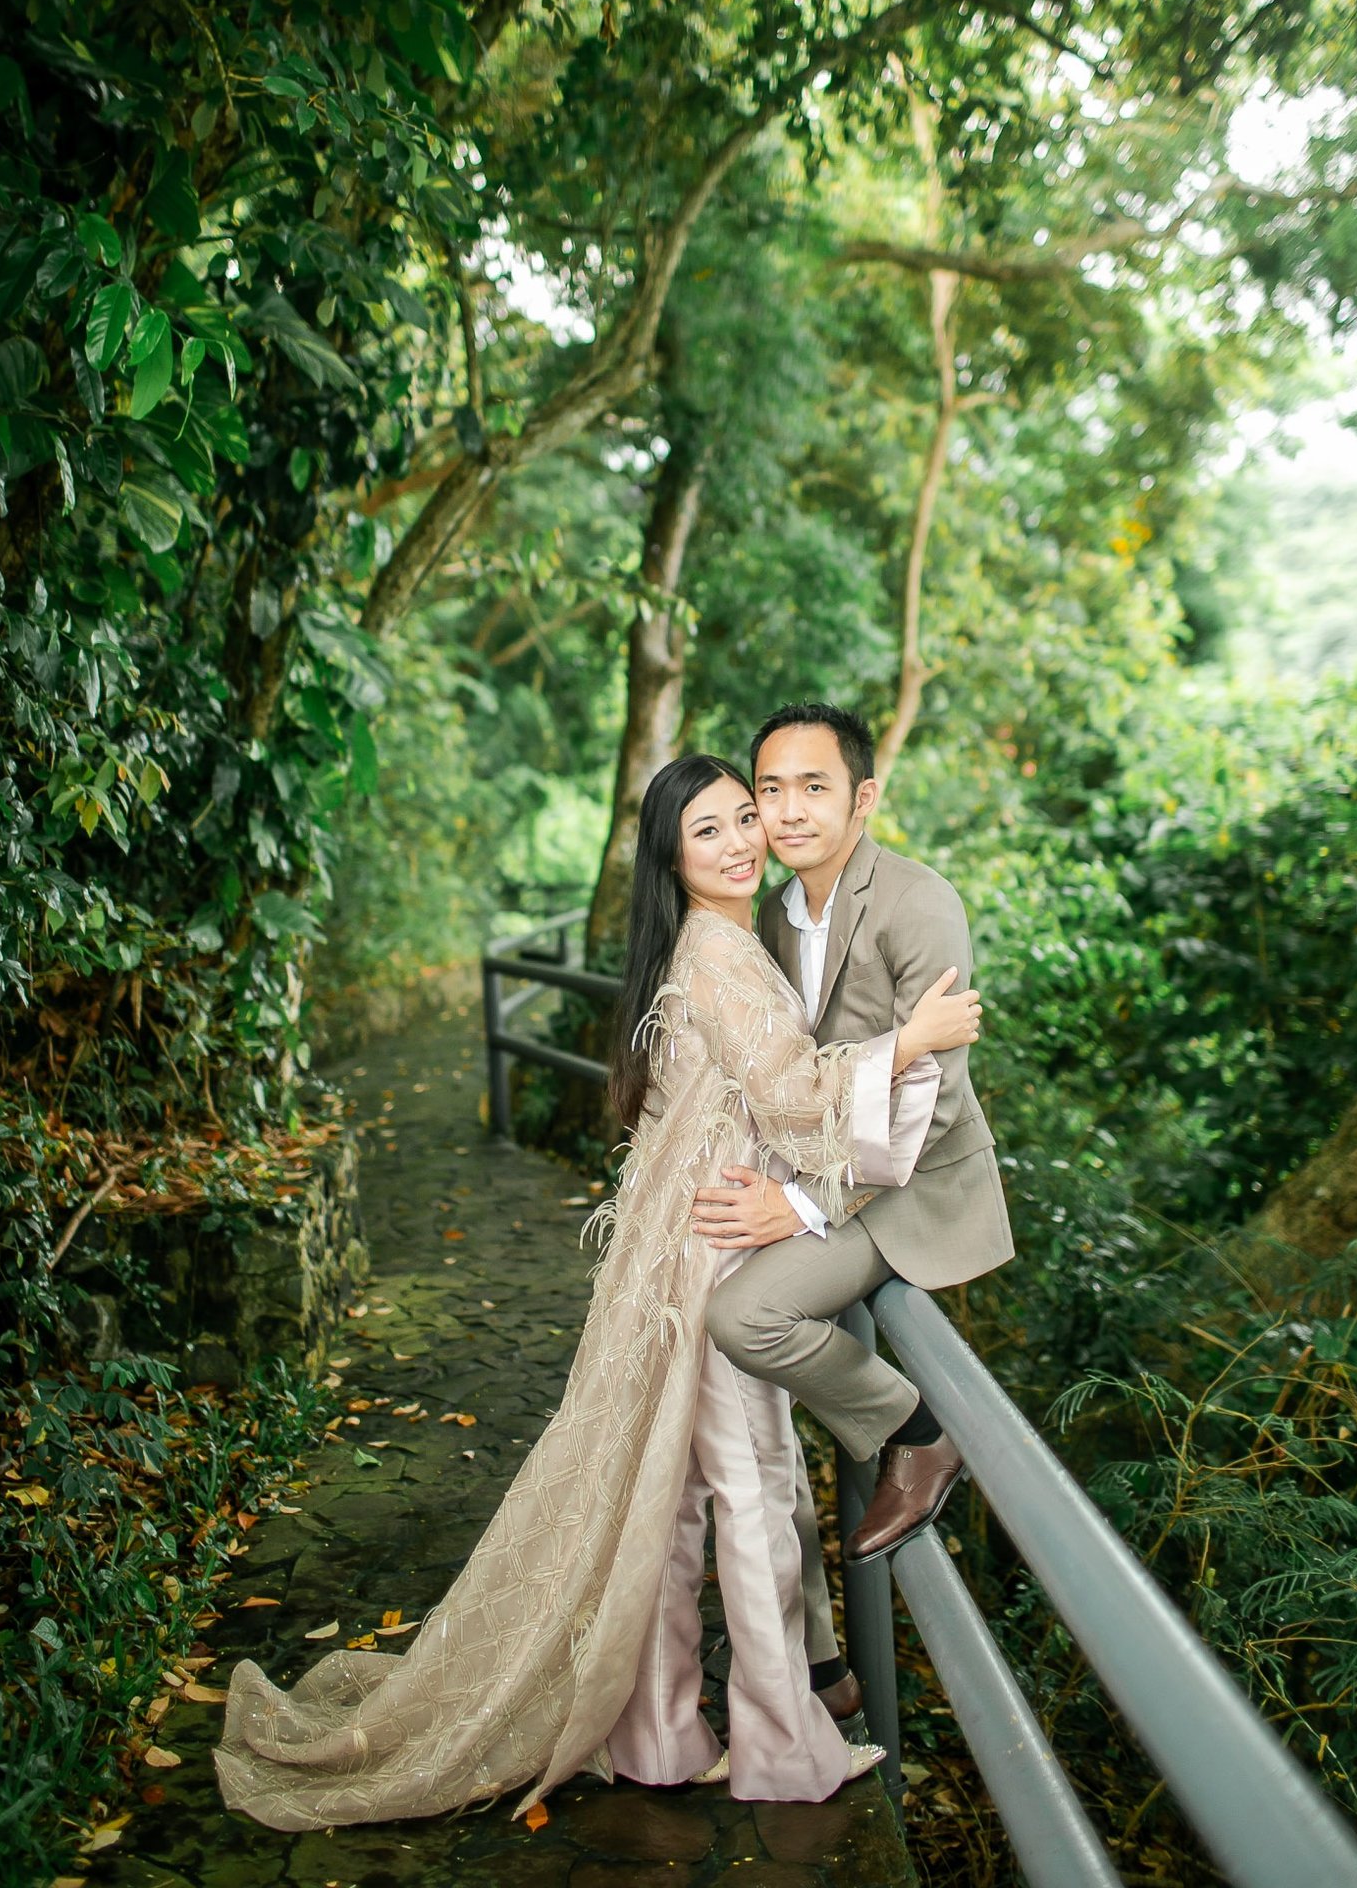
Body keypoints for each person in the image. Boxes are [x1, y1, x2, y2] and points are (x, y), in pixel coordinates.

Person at [213, 753, 981, 1830]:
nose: (741, 842)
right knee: (752, 1491)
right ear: (671, 856)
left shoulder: (703, 946)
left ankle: (661, 1737)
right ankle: (783, 1748)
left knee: (668, 1507)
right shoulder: (721, 954)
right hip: (709, 1254)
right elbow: (799, 1095)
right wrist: (911, 1042)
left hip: (667, 1257)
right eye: (707, 831)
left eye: (744, 819)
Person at [696, 705, 1013, 1579]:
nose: (789, 810)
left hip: (908, 1185)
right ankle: (814, 1641)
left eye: (813, 786)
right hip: (822, 1167)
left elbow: (934, 1100)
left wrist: (798, 1206)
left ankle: (918, 1436)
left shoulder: (918, 903)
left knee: (744, 1315)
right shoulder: (770, 915)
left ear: (862, 796)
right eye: (771, 788)